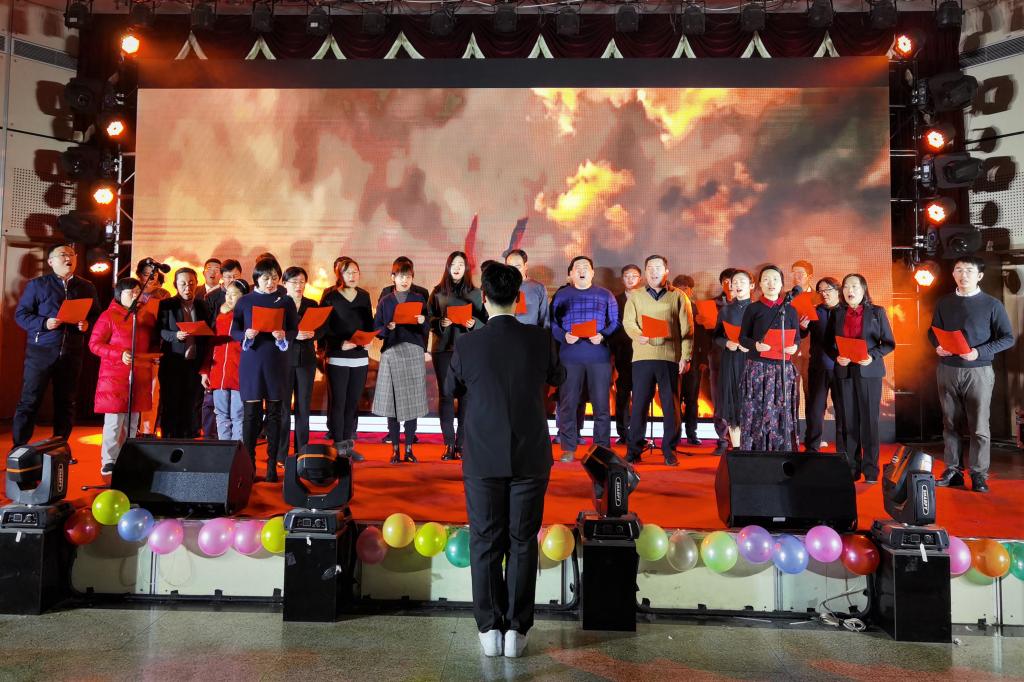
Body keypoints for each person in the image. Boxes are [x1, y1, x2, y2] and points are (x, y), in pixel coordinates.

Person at [444, 262, 566, 659]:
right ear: (519, 299)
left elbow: (450, 388)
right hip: (530, 454)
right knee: (522, 541)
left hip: (482, 456)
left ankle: (489, 628)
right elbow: (559, 378)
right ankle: (517, 629)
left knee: (484, 541)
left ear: (483, 298)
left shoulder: (468, 344)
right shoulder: (540, 339)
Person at [929, 255, 1014, 493]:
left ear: (980, 276)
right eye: (958, 270)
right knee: (949, 423)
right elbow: (932, 331)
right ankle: (953, 470)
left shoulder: (992, 304)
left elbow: (1008, 338)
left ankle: (978, 474)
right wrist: (937, 345)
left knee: (979, 426)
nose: (963, 275)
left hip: (978, 371)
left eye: (968, 270)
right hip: (947, 368)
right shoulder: (944, 302)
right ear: (953, 274)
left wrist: (979, 352)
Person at [12, 244, 100, 446]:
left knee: (66, 402)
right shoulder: (38, 285)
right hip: (40, 351)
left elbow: (96, 316)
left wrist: (87, 324)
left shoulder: (87, 287)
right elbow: (21, 315)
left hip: (72, 352)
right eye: (63, 255)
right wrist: (44, 323)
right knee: (30, 400)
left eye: (72, 255)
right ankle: (18, 448)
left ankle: (60, 448)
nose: (68, 258)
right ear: (51, 261)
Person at [231, 258, 298, 481]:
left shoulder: (286, 301)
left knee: (275, 414)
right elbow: (234, 330)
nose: (271, 283)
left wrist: (284, 335)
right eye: (266, 278)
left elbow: (294, 329)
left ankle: (271, 467)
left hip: (276, 361)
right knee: (250, 415)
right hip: (252, 361)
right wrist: (245, 334)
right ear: (256, 279)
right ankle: (249, 465)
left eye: (274, 278)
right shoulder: (245, 301)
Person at [622, 255, 692, 465]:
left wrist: (686, 356)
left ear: (666, 272)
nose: (654, 272)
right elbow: (628, 322)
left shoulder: (678, 296)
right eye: (650, 268)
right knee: (639, 404)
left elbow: (687, 329)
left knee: (670, 405)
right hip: (643, 356)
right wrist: (638, 335)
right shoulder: (636, 296)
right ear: (645, 273)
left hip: (669, 357)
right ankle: (634, 450)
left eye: (658, 268)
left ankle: (669, 450)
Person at [824, 274, 894, 482]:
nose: (850, 290)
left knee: (869, 421)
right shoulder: (837, 313)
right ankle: (851, 468)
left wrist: (872, 356)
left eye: (854, 286)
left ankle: (871, 470)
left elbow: (888, 343)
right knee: (848, 421)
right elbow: (827, 343)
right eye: (846, 286)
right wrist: (837, 356)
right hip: (845, 371)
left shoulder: (877, 312)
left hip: (869, 372)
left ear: (864, 289)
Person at [550, 256, 618, 462]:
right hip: (570, 356)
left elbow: (615, 321)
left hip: (599, 356)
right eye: (577, 268)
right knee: (568, 403)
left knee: (601, 405)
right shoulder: (562, 295)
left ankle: (602, 448)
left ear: (592, 272)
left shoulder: (605, 295)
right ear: (571, 273)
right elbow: (552, 322)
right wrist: (564, 335)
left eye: (586, 267)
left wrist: (603, 335)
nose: (582, 270)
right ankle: (568, 448)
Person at [89, 277, 157, 475]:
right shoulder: (108, 316)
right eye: (130, 292)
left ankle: (128, 457)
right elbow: (94, 344)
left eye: (137, 291)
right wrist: (119, 354)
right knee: (114, 422)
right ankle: (109, 461)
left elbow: (152, 342)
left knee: (132, 421)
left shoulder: (146, 316)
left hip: (139, 374)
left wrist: (154, 355)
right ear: (119, 295)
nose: (135, 295)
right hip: (115, 376)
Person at [428, 251, 487, 461]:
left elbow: (486, 320)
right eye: (453, 264)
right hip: (443, 349)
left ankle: (461, 443)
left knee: (465, 396)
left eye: (461, 264)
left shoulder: (475, 293)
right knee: (446, 395)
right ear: (447, 267)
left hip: (468, 350)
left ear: (466, 268)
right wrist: (439, 323)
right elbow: (428, 318)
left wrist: (474, 323)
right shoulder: (437, 292)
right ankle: (448, 444)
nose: (457, 268)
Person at [373, 258, 430, 464]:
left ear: (412, 278)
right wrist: (387, 328)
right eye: (400, 276)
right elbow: (377, 327)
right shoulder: (386, 300)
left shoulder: (419, 299)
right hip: (392, 350)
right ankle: (395, 449)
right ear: (393, 277)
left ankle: (409, 449)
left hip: (413, 350)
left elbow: (426, 328)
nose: (404, 280)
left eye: (408, 276)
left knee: (413, 401)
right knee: (392, 402)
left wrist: (423, 321)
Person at [739, 265, 800, 451]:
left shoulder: (791, 310)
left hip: (782, 369)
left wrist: (795, 347)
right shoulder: (753, 308)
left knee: (781, 410)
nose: (771, 283)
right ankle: (756, 450)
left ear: (781, 284)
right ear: (759, 284)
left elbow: (797, 338)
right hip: (758, 367)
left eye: (775, 279)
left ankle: (781, 449)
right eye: (766, 279)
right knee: (757, 409)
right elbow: (743, 338)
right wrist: (756, 345)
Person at [320, 257, 374, 461]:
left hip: (360, 358)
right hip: (337, 358)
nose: (352, 276)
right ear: (339, 275)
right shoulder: (330, 297)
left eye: (355, 272)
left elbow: (369, 324)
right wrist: (338, 344)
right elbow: (322, 328)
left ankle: (348, 446)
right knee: (338, 403)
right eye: (348, 272)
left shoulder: (364, 296)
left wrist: (369, 340)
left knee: (352, 404)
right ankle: (338, 445)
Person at [157, 268, 210, 439]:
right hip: (173, 363)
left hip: (195, 364)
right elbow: (160, 331)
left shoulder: (203, 305)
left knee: (192, 404)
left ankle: (190, 438)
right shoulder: (167, 305)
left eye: (191, 283)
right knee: (171, 403)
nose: (188, 288)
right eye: (183, 284)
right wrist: (175, 335)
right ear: (175, 285)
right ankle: (169, 438)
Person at [278, 266, 320, 460]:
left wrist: (314, 334)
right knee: (283, 409)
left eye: (302, 282)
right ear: (284, 283)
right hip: (284, 361)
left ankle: (302, 452)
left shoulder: (312, 304)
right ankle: (281, 454)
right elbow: (273, 331)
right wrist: (294, 335)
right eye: (294, 282)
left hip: (306, 361)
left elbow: (322, 328)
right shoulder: (278, 304)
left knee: (303, 407)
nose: (299, 286)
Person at [712, 269, 753, 451]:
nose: (737, 285)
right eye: (734, 282)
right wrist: (727, 343)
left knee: (750, 402)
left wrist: (750, 345)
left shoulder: (758, 309)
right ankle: (736, 449)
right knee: (732, 404)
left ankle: (751, 447)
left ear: (752, 285)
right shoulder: (726, 310)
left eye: (742, 282)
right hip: (731, 359)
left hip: (752, 360)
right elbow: (717, 336)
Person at [202, 280, 248, 441]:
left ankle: (237, 450)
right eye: (227, 294)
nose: (229, 298)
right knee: (220, 414)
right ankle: (224, 449)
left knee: (238, 414)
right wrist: (205, 371)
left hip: (239, 373)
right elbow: (211, 345)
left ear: (243, 297)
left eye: (233, 294)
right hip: (218, 373)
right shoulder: (220, 317)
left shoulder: (248, 317)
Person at [802, 277, 843, 453]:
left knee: (842, 410)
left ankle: (843, 451)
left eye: (828, 290)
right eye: (821, 291)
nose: (824, 294)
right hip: (818, 367)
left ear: (837, 290)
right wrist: (802, 327)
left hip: (842, 368)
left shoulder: (846, 311)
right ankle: (812, 448)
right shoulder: (814, 311)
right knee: (815, 409)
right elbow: (802, 335)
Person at [610, 264, 642, 444]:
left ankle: (638, 432)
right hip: (622, 353)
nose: (630, 279)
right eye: (627, 276)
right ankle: (622, 432)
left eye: (634, 276)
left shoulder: (646, 298)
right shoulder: (615, 300)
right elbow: (612, 326)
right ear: (622, 279)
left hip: (643, 352)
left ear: (640, 279)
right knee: (622, 393)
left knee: (641, 394)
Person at [708, 268, 737, 454]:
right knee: (719, 400)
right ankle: (722, 439)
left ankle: (738, 438)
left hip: (741, 357)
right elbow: (711, 336)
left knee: (740, 398)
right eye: (726, 281)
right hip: (718, 357)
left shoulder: (749, 305)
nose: (730, 285)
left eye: (733, 281)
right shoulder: (712, 304)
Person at [673, 274, 704, 447]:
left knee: (692, 399)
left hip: (693, 360)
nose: (683, 291)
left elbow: (704, 338)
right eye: (679, 288)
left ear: (691, 291)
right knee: (674, 398)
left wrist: (702, 359)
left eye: (686, 289)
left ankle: (692, 433)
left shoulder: (698, 309)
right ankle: (675, 434)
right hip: (673, 359)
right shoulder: (668, 306)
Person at [791, 259, 814, 442]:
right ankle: (793, 435)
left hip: (812, 352)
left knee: (812, 394)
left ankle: (813, 435)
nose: (797, 277)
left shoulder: (819, 297)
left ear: (809, 276)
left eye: (801, 273)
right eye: (794, 273)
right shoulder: (787, 297)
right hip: (791, 352)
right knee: (792, 395)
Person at [504, 249, 549, 327]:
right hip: (506, 332)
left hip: (531, 333)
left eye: (517, 267)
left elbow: (544, 319)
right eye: (509, 267)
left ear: (526, 266)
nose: (513, 271)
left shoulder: (538, 288)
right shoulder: (500, 286)